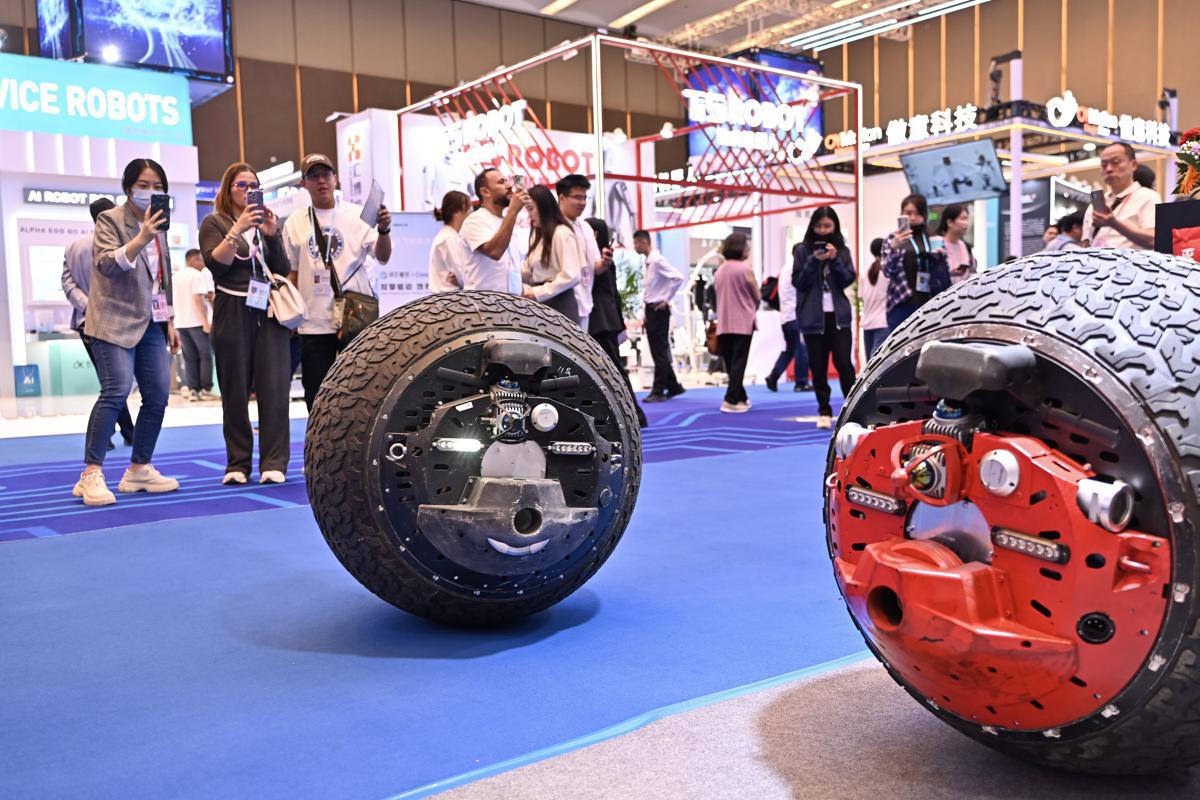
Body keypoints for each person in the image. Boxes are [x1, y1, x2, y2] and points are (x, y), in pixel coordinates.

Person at [72, 158, 182, 506]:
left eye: (157, 186)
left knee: (158, 394)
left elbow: (161, 277)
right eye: (143, 185)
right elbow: (106, 264)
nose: (151, 191)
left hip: (152, 322)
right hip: (112, 320)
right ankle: (91, 473)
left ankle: (139, 468)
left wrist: (170, 320)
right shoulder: (111, 219)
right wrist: (141, 237)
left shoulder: (161, 224)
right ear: (128, 187)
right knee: (116, 390)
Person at [200, 161, 294, 485]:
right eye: (241, 185)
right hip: (232, 308)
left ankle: (274, 462)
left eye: (254, 186)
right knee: (234, 391)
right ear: (228, 190)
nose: (248, 191)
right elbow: (217, 264)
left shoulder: (265, 223)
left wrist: (272, 235)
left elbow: (282, 268)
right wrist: (238, 228)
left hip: (268, 311)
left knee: (275, 389)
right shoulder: (214, 222)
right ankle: (238, 463)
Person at [283, 153, 392, 410]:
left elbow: (383, 256)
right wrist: (289, 312)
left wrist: (384, 230)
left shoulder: (357, 215)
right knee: (316, 394)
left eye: (326, 174)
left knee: (361, 390)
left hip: (355, 318)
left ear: (336, 179)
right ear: (303, 183)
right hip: (313, 323)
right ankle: (320, 436)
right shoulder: (295, 222)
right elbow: (294, 272)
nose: (321, 181)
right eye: (313, 176)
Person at [62, 196, 135, 451]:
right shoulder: (120, 246)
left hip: (86, 322)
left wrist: (87, 306)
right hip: (116, 321)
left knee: (111, 382)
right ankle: (119, 433)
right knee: (115, 384)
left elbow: (67, 284)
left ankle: (121, 432)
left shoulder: (74, 246)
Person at [794, 206, 857, 430]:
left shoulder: (843, 251)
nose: (823, 230)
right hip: (813, 318)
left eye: (827, 226)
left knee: (844, 363)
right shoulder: (802, 251)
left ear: (835, 227)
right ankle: (824, 410)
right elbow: (798, 282)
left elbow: (848, 279)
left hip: (839, 317)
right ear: (812, 226)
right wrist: (814, 260)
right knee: (818, 367)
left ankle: (852, 410)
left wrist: (834, 259)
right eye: (819, 226)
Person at [585, 217, 647, 428]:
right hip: (605, 319)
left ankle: (634, 415)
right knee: (612, 369)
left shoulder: (600, 259)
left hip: (601, 320)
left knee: (615, 370)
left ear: (595, 233)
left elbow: (611, 294)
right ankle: (632, 415)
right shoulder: (599, 258)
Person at [882, 193, 951, 331]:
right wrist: (894, 248)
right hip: (902, 301)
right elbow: (887, 271)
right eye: (908, 213)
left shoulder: (933, 239)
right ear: (901, 213)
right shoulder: (893, 239)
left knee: (928, 343)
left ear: (924, 215)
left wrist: (939, 259)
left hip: (930, 302)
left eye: (918, 213)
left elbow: (944, 271)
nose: (913, 217)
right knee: (900, 343)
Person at [633, 229, 686, 403]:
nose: (635, 247)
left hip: (658, 311)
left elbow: (677, 277)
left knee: (660, 352)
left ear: (643, 242)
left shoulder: (656, 260)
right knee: (658, 350)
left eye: (636, 243)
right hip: (652, 310)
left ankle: (658, 390)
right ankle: (674, 386)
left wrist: (666, 298)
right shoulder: (650, 261)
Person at [460, 168, 528, 293]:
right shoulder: (475, 220)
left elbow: (509, 267)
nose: (509, 186)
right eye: (501, 182)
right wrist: (513, 211)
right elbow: (495, 252)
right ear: (485, 192)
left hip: (510, 301)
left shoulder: (505, 221)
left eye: (507, 181)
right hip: (483, 302)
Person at [713, 233, 759, 414]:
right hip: (743, 322)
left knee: (732, 363)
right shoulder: (745, 269)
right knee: (739, 362)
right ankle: (730, 399)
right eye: (746, 247)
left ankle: (740, 396)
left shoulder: (720, 270)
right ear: (739, 248)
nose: (748, 250)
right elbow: (756, 295)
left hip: (724, 322)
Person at [1081, 142, 1157, 250]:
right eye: (1104, 165)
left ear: (1133, 165)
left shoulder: (1147, 197)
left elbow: (1154, 240)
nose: (1109, 169)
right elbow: (1085, 243)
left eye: (1116, 162)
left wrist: (1115, 224)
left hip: (1130, 261)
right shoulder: (1097, 203)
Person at [522, 185, 582, 319]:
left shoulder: (562, 233)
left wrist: (538, 292)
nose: (529, 215)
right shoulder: (539, 237)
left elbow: (572, 275)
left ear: (543, 207)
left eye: (531, 209)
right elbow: (527, 270)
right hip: (541, 302)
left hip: (558, 302)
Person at [556, 174, 603, 328]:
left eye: (584, 197)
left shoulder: (586, 227)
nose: (582, 202)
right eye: (577, 197)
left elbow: (596, 266)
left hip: (585, 302)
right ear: (562, 198)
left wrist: (605, 262)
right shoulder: (553, 227)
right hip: (560, 304)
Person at [765, 249, 812, 393]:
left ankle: (773, 376)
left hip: (786, 317)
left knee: (791, 349)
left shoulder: (785, 268)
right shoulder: (795, 269)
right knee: (801, 349)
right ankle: (801, 382)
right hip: (795, 315)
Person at [173, 248, 216, 401]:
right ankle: (205, 389)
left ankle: (193, 389)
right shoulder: (197, 275)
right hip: (196, 322)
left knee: (189, 357)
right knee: (205, 355)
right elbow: (197, 298)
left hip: (181, 322)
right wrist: (205, 322)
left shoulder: (176, 277)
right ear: (193, 259)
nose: (203, 264)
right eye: (201, 260)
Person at [428, 190, 472, 292]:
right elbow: (463, 276)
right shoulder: (449, 239)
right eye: (468, 210)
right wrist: (464, 279)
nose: (470, 214)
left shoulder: (449, 236)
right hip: (449, 298)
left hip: (449, 297)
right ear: (456, 213)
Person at [860, 237, 889, 359]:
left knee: (870, 362)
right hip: (883, 322)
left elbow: (861, 297)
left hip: (867, 323)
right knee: (878, 361)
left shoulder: (864, 273)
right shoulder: (888, 272)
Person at [937, 204, 976, 284]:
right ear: (950, 222)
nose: (966, 223)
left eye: (967, 219)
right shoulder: (938, 244)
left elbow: (972, 273)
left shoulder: (966, 247)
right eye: (962, 219)